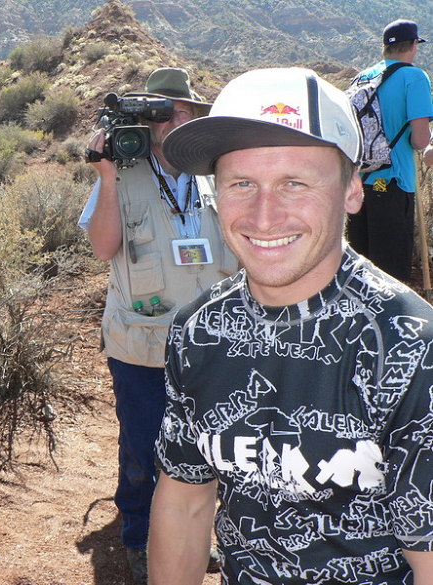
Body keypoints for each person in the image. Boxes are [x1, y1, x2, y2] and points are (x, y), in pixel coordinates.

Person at [148, 66, 433, 585]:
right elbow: (186, 500)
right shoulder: (199, 330)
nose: (263, 216)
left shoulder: (409, 347)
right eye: (241, 184)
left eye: (294, 183)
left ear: (352, 189)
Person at [79, 67, 237, 583]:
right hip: (141, 343)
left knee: (207, 448)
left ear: (195, 118)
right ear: (145, 120)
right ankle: (141, 539)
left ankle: (193, 537)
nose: (172, 119)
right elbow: (104, 247)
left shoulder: (214, 176)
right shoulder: (122, 173)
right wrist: (104, 177)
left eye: (182, 110)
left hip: (210, 343)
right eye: (160, 111)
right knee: (145, 445)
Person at [346, 19, 433, 282]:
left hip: (358, 184)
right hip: (394, 182)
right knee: (390, 276)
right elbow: (419, 140)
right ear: (414, 46)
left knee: (360, 270)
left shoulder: (363, 77)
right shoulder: (414, 77)